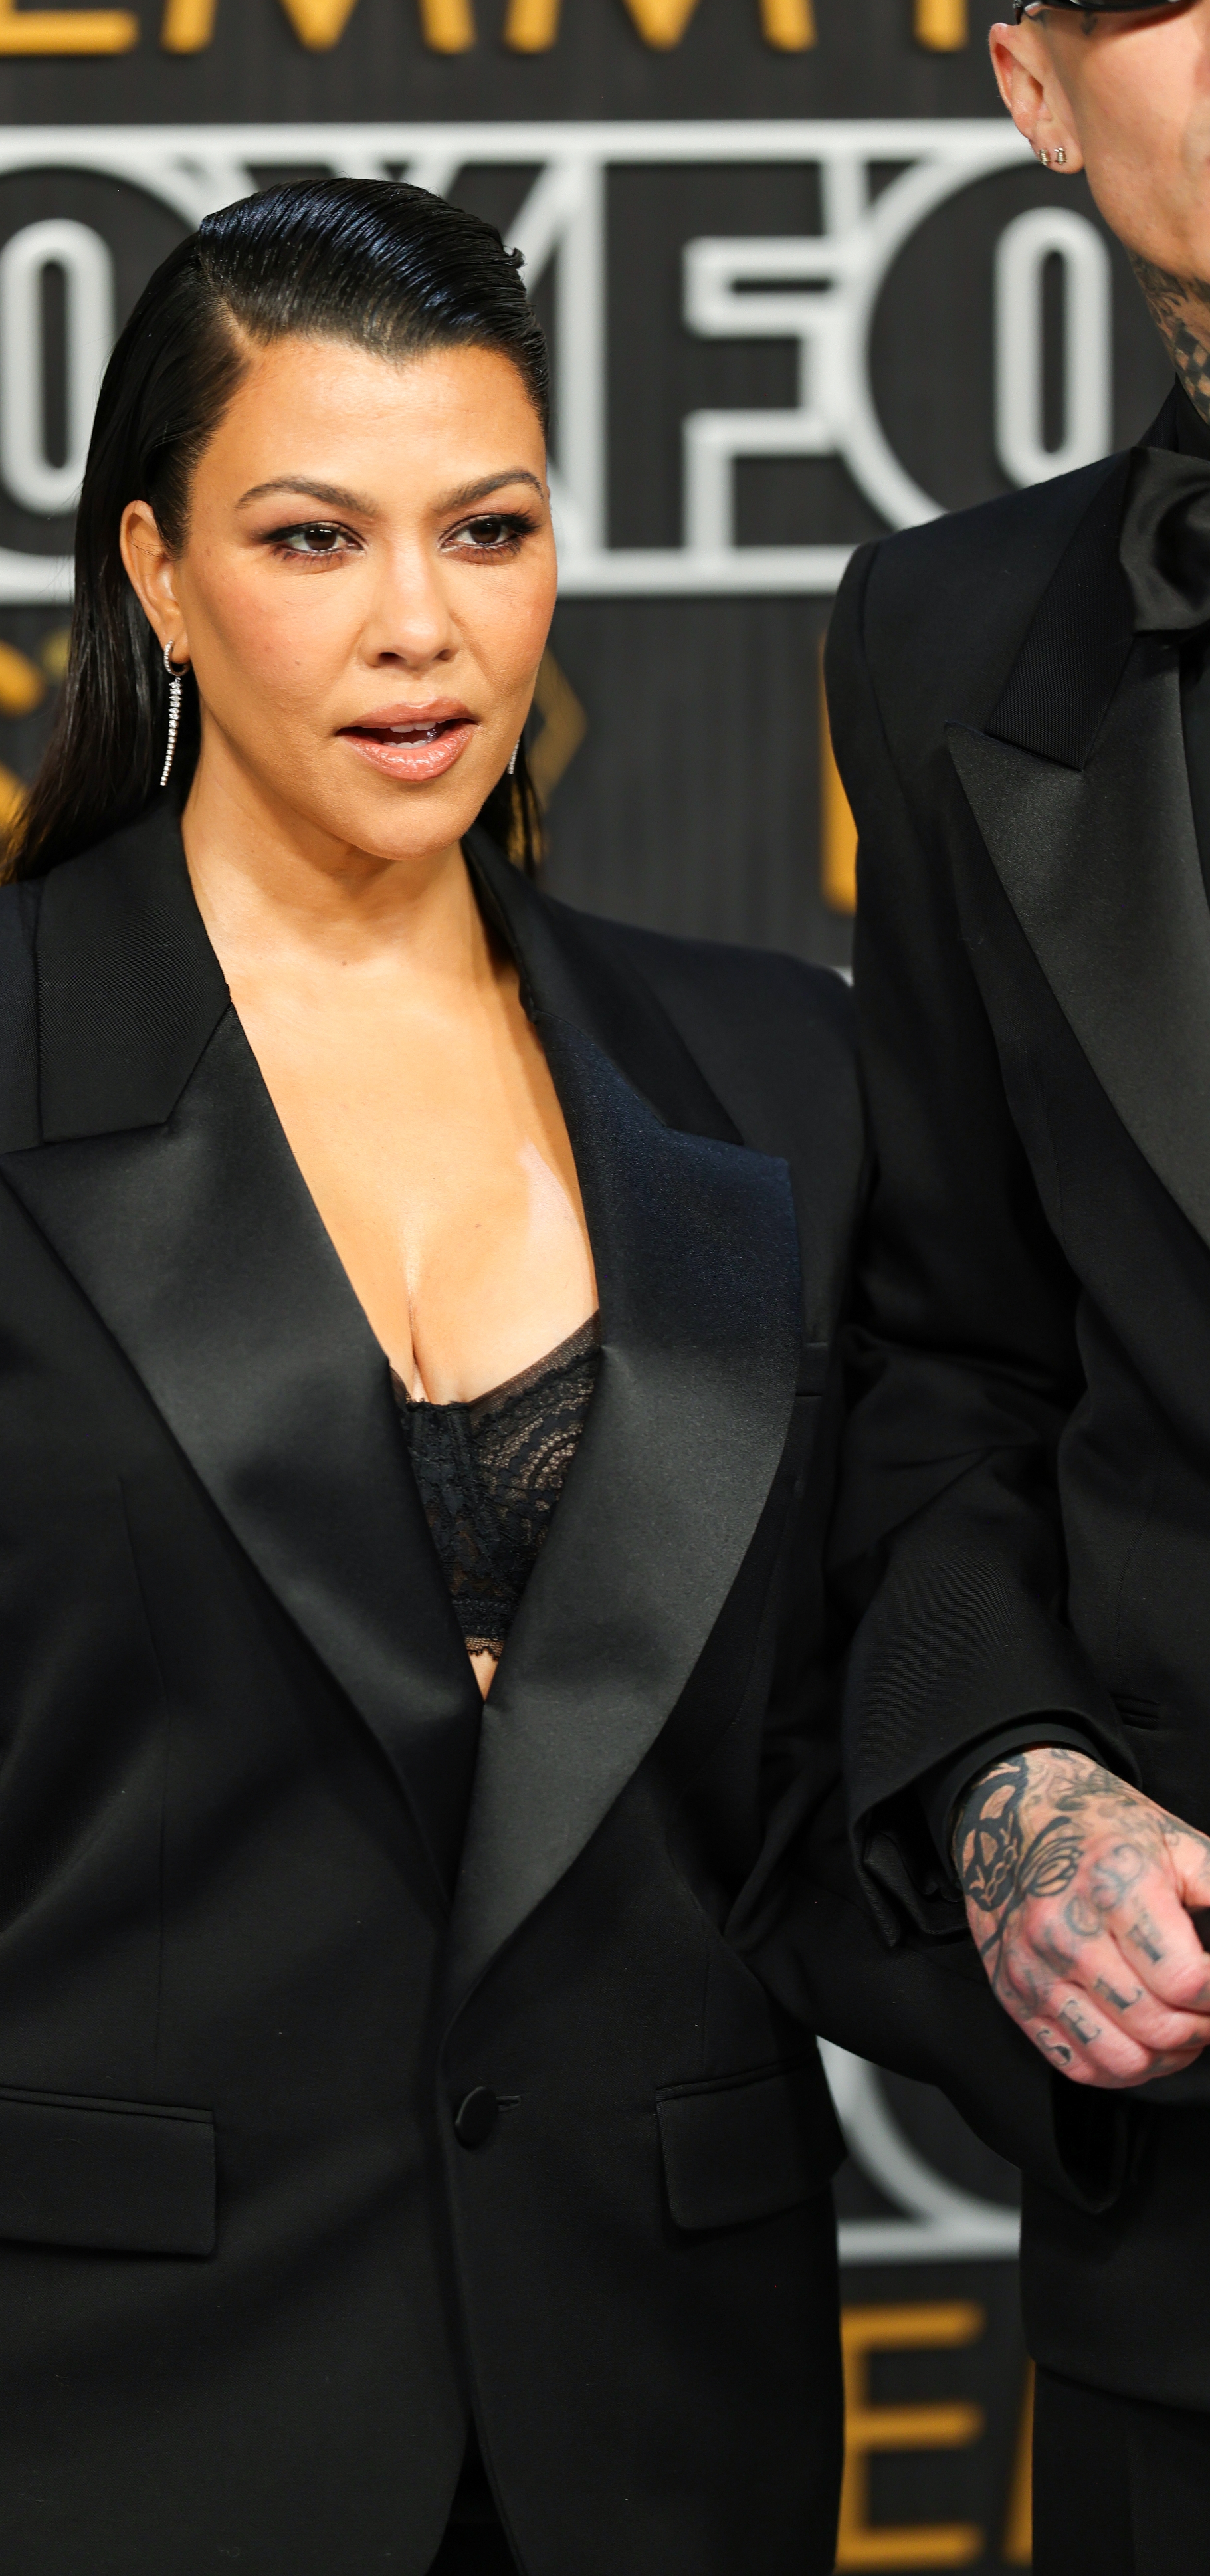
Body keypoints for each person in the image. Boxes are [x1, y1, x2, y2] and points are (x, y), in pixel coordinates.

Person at [0, 181, 1109, 2576]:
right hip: (70, 2423)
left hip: (656, 2429)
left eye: (488, 529)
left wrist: (1068, 1914)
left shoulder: (773, 1080)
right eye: (312, 536)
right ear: (157, 576)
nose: (422, 627)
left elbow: (802, 1771)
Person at [826, 5, 1210, 2567]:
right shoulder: (950, 640)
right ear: (1029, 87)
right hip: (1194, 2237)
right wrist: (1007, 1778)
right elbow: (949, 1354)